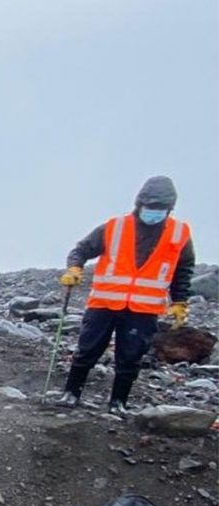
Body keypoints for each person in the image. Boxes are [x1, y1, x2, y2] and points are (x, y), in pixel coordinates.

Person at [56, 176, 195, 415]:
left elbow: (183, 270)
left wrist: (180, 301)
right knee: (88, 349)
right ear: (139, 204)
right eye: (149, 207)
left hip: (143, 309)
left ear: (169, 209)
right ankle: (71, 393)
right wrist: (74, 268)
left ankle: (118, 402)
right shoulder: (115, 227)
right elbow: (81, 249)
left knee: (131, 356)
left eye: (160, 209)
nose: (153, 212)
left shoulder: (179, 234)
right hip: (105, 303)